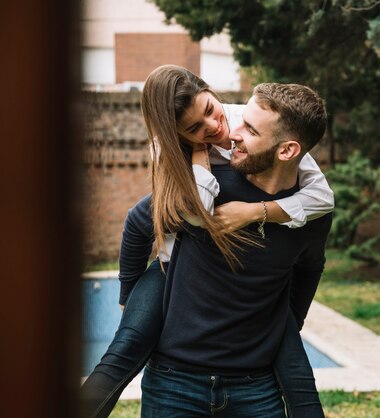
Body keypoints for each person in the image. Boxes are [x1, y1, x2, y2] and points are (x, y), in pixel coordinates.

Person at [80, 66, 332, 417]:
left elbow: (321, 204)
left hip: (253, 374)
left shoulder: (242, 125)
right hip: (169, 276)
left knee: (301, 387)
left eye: (211, 111)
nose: (220, 131)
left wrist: (256, 212)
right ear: (179, 136)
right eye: (195, 130)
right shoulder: (182, 157)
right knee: (123, 352)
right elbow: (161, 218)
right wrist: (127, 293)